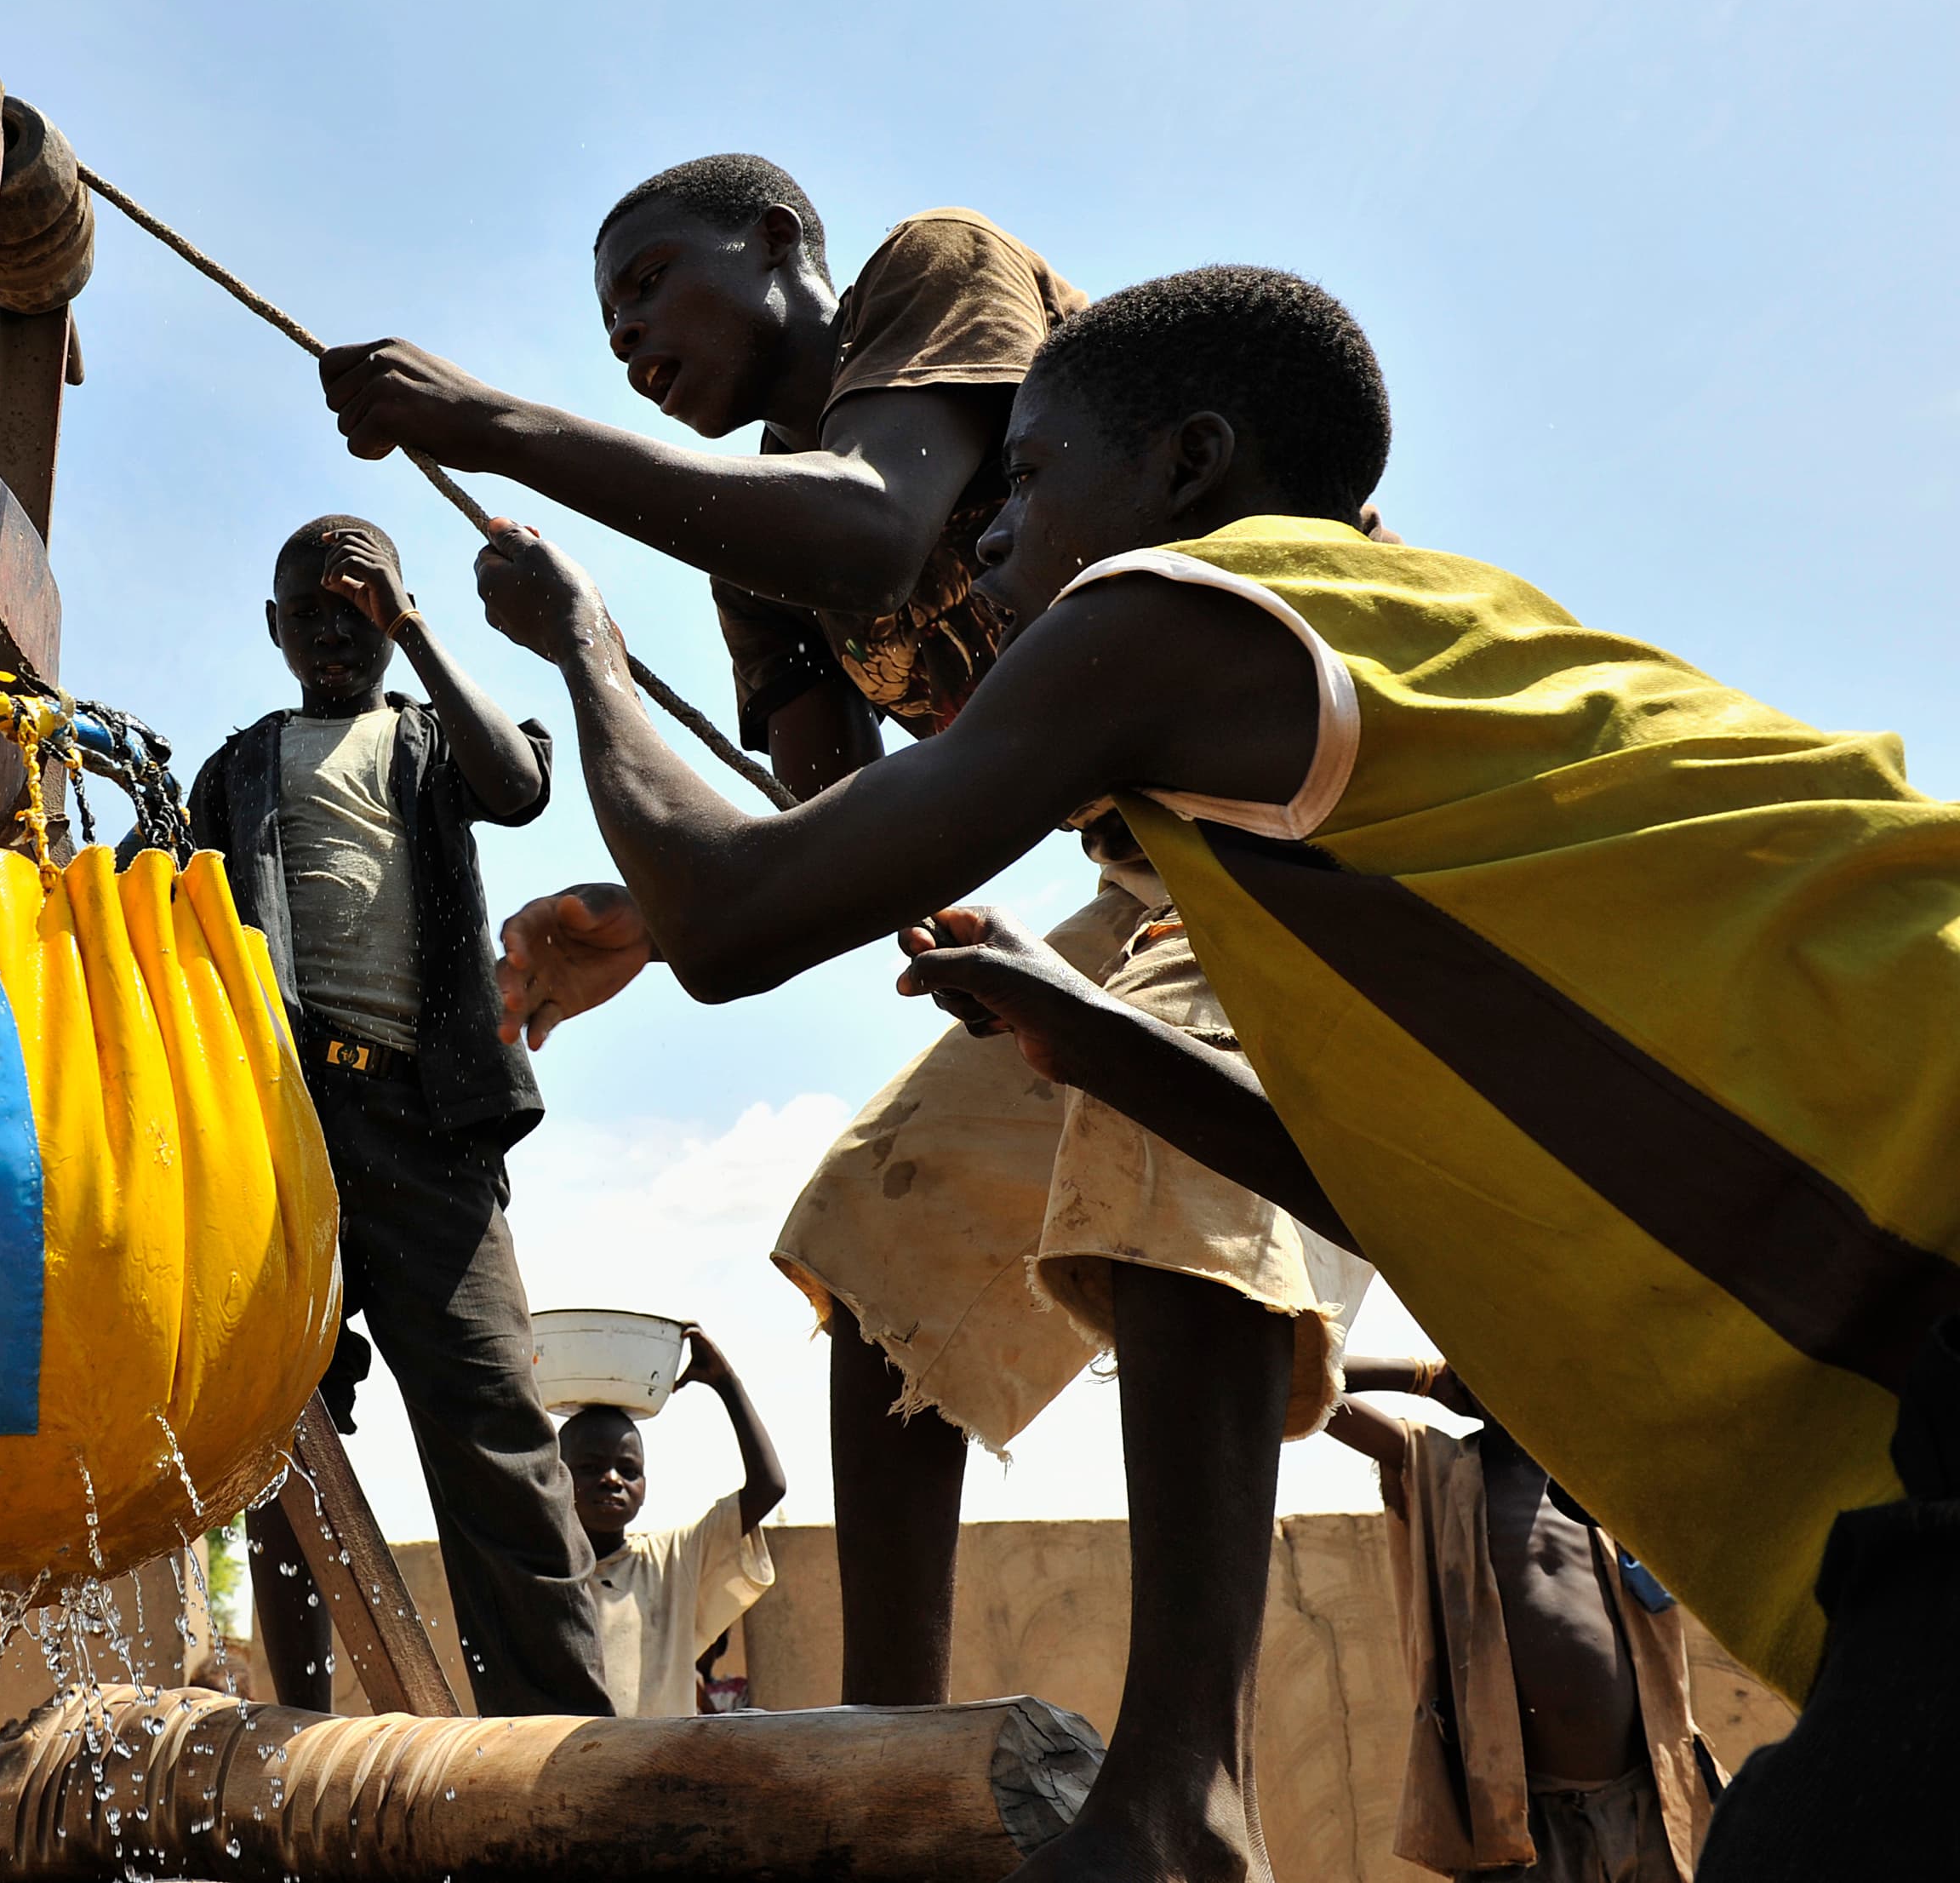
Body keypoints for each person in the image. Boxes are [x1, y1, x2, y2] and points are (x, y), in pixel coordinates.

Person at [467, 258, 1960, 1878]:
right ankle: (934, 1744)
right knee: (902, 1202)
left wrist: (577, 637)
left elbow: (743, 913)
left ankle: (1189, 1783)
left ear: (1187, 466)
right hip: (1907, 1400)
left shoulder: (1183, 607)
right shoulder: (1384, 750)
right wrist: (1087, 1035)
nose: (985, 536)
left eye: (1026, 479)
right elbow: (1410, 1186)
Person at [320, 160, 1369, 1737]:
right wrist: (649, 921)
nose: (625, 336)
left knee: (1157, 1151)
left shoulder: (930, 276)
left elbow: (878, 533)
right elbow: (841, 847)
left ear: (780, 245)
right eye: (603, 314)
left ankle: (1184, 1777)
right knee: (881, 1236)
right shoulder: (756, 563)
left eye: (651, 281)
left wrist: (487, 429)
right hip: (1152, 868)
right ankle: (892, 1767)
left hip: (1312, 804)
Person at [186, 514, 609, 1718]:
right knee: (280, 1433)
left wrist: (418, 628)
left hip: (429, 1125)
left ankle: (559, 1740)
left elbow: (521, 786)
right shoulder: (237, 770)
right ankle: (302, 1729)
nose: (332, 627)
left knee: (497, 1430)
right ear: (273, 630)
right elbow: (151, 905)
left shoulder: (424, 738)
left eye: (357, 607)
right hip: (287, 1133)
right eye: (307, 610)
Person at [1327, 1359, 1710, 1882]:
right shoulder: (1439, 1469)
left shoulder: (1601, 1484)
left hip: (1653, 1802)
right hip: (1526, 1824)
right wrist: (1422, 1377)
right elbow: (1302, 1376)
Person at [561, 1323, 785, 1719]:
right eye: (591, 1467)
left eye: (628, 1470)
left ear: (645, 1487)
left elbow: (769, 1487)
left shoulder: (672, 1562)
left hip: (662, 1774)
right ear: (557, 1478)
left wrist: (726, 1384)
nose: (612, 1480)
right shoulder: (542, 1570)